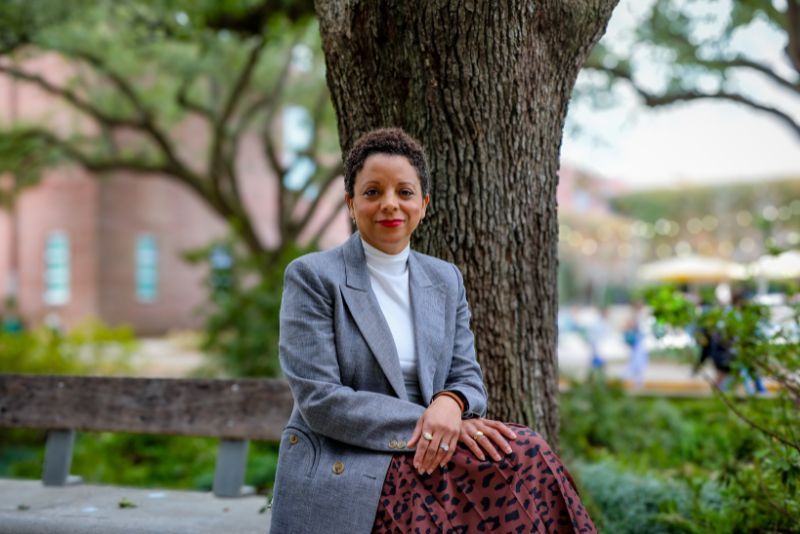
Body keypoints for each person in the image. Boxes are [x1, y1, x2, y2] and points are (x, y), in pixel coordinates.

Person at [269, 128, 596, 534]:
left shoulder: (444, 279)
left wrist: (452, 403)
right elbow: (321, 400)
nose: (390, 203)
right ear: (352, 205)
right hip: (350, 462)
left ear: (422, 205)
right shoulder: (314, 276)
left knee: (525, 452)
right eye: (372, 192)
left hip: (434, 452)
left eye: (404, 192)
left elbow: (467, 376)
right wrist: (434, 422)